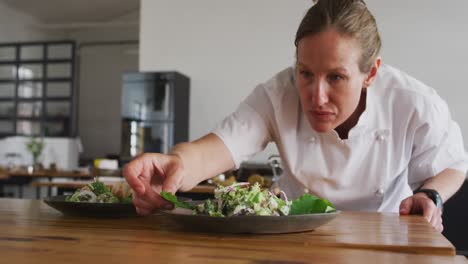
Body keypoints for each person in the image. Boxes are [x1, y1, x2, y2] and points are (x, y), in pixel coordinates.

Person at [124, 0, 468, 232]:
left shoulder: (412, 101)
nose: (316, 97)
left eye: (336, 77)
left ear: (371, 73)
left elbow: (453, 164)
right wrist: (175, 165)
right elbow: (214, 149)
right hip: (294, 237)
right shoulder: (277, 94)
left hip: (381, 239)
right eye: (305, 73)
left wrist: (430, 195)